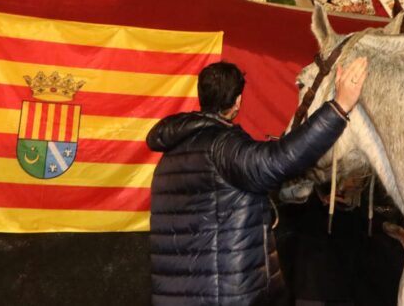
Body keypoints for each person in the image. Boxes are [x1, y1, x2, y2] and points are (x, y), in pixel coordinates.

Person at [147, 57, 369, 305]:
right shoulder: (223, 148)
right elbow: (280, 160)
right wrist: (339, 106)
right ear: (237, 101)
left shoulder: (168, 158)